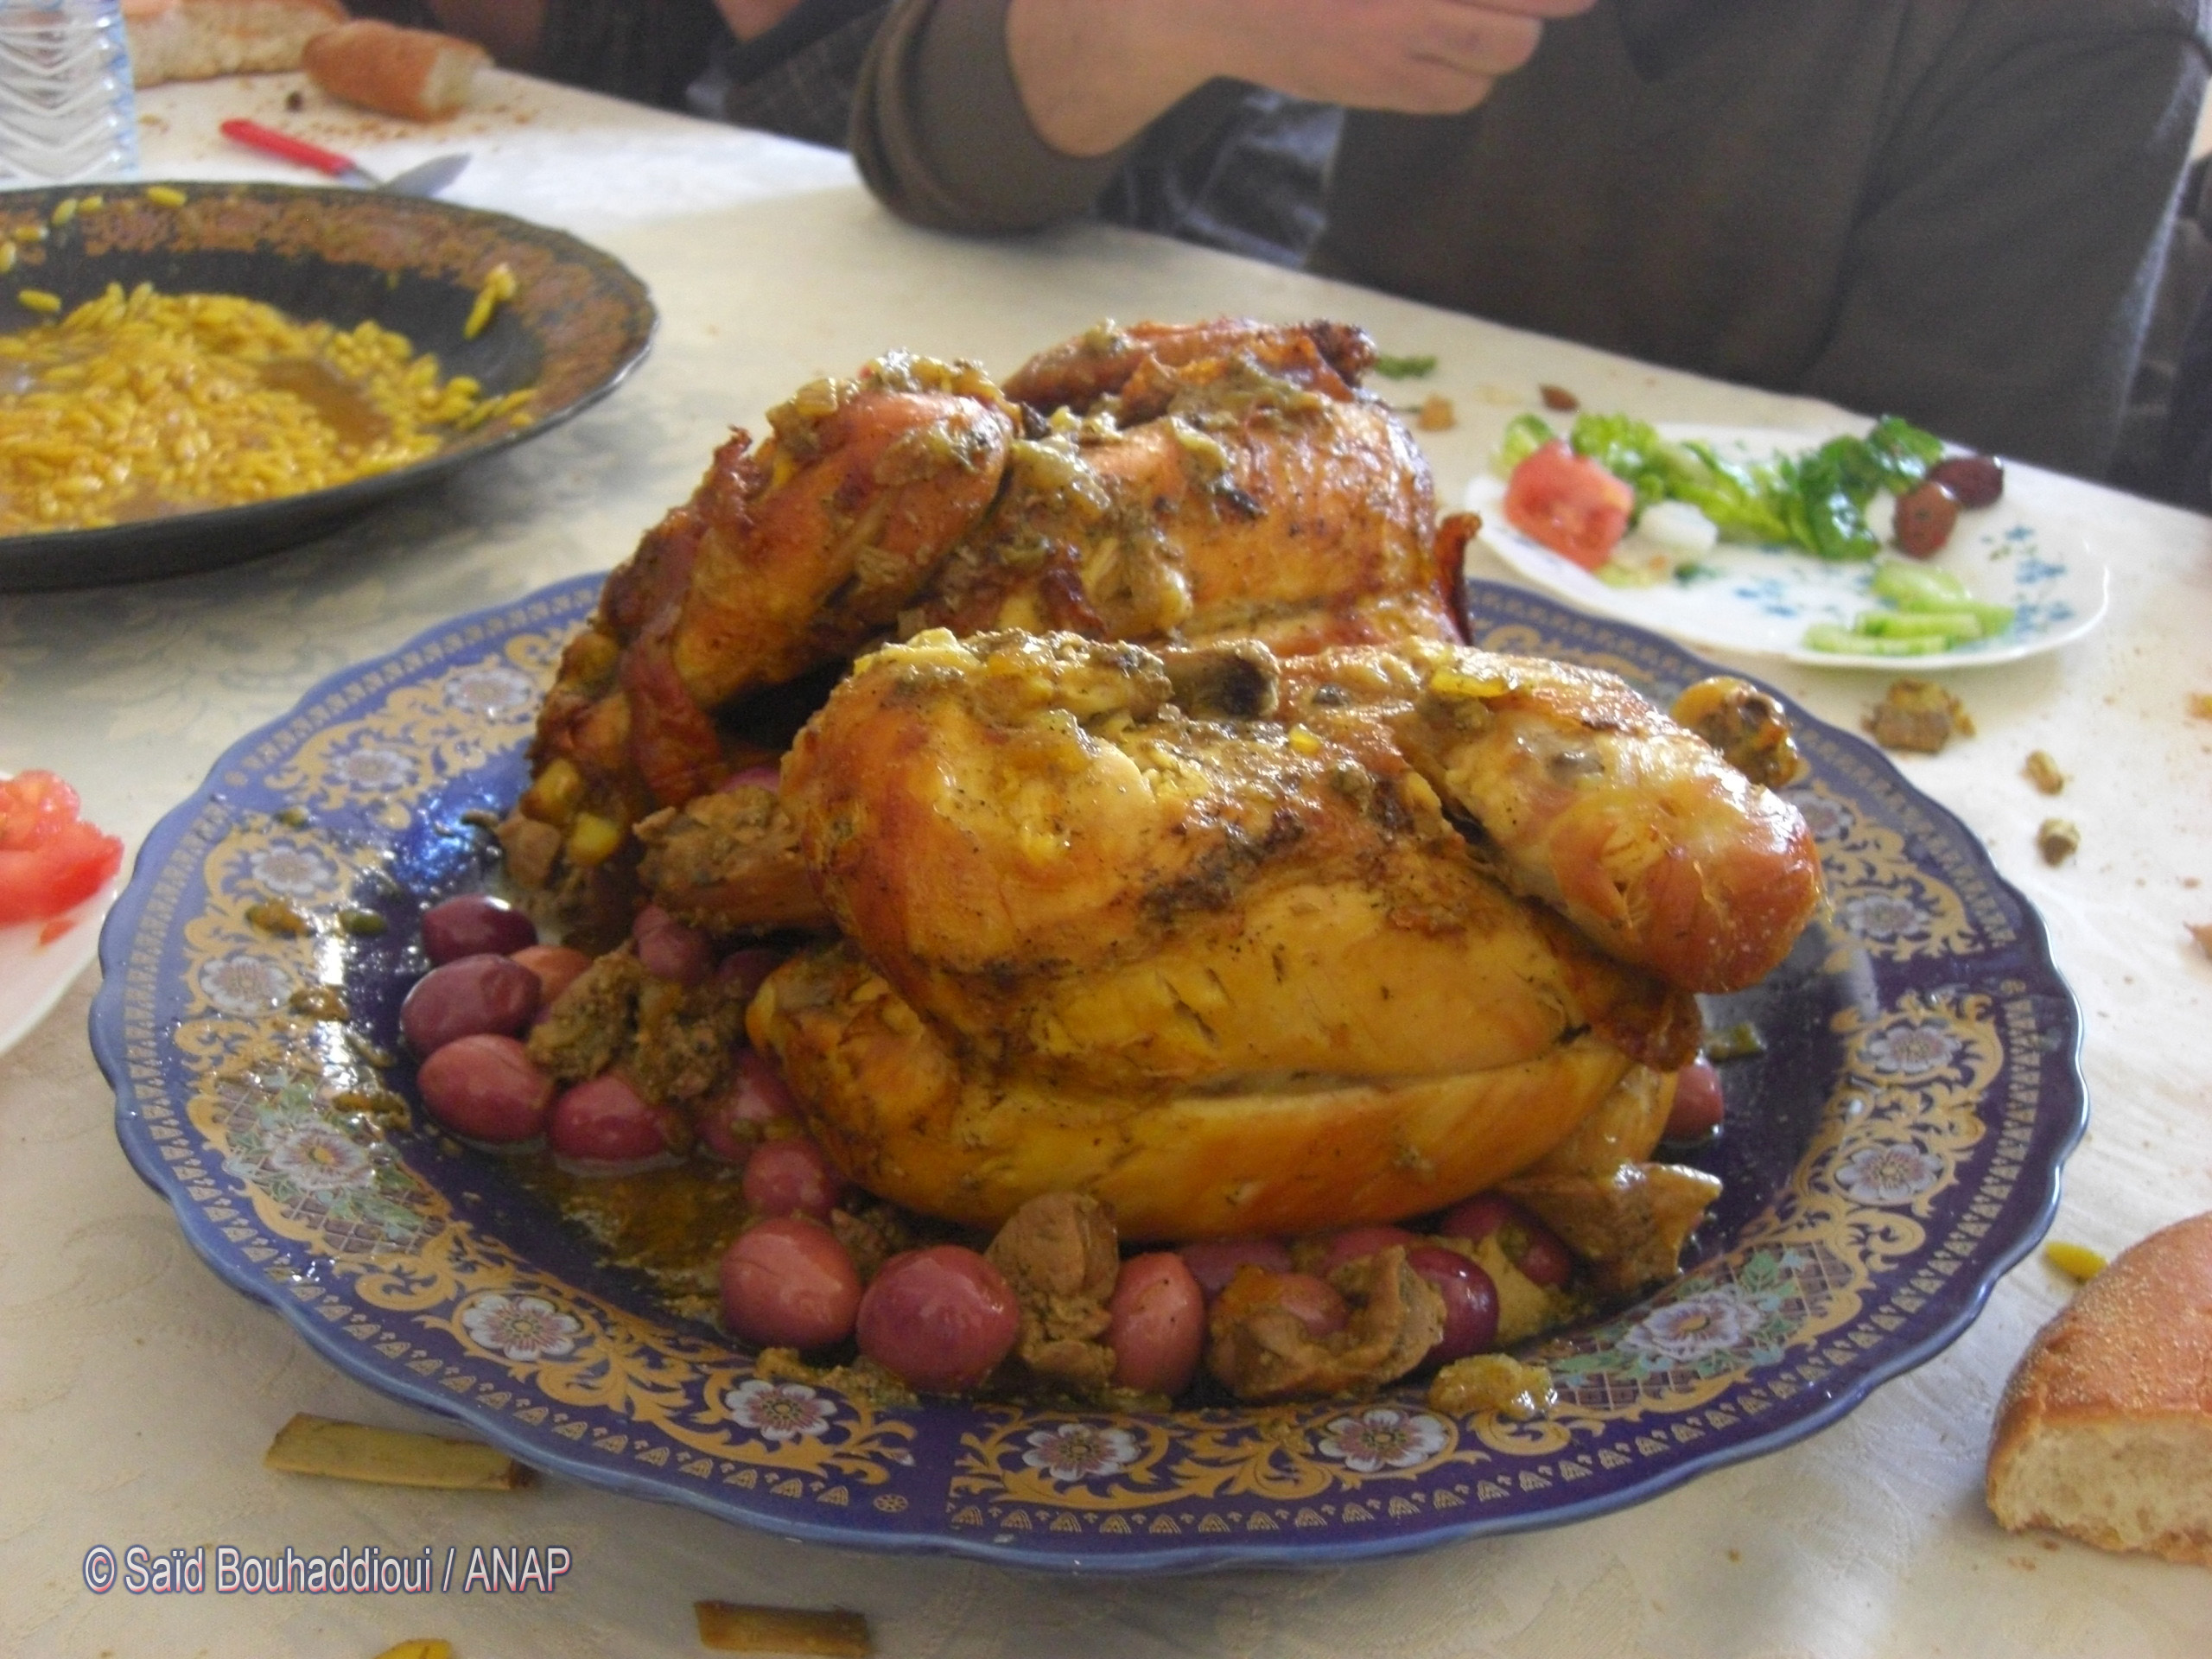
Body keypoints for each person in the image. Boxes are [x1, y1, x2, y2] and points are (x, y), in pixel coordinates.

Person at [852, 0, 2212, 480]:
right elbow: (924, 153)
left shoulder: (2083, 30)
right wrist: (1187, 16)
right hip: (1322, 526)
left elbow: (1939, 522)